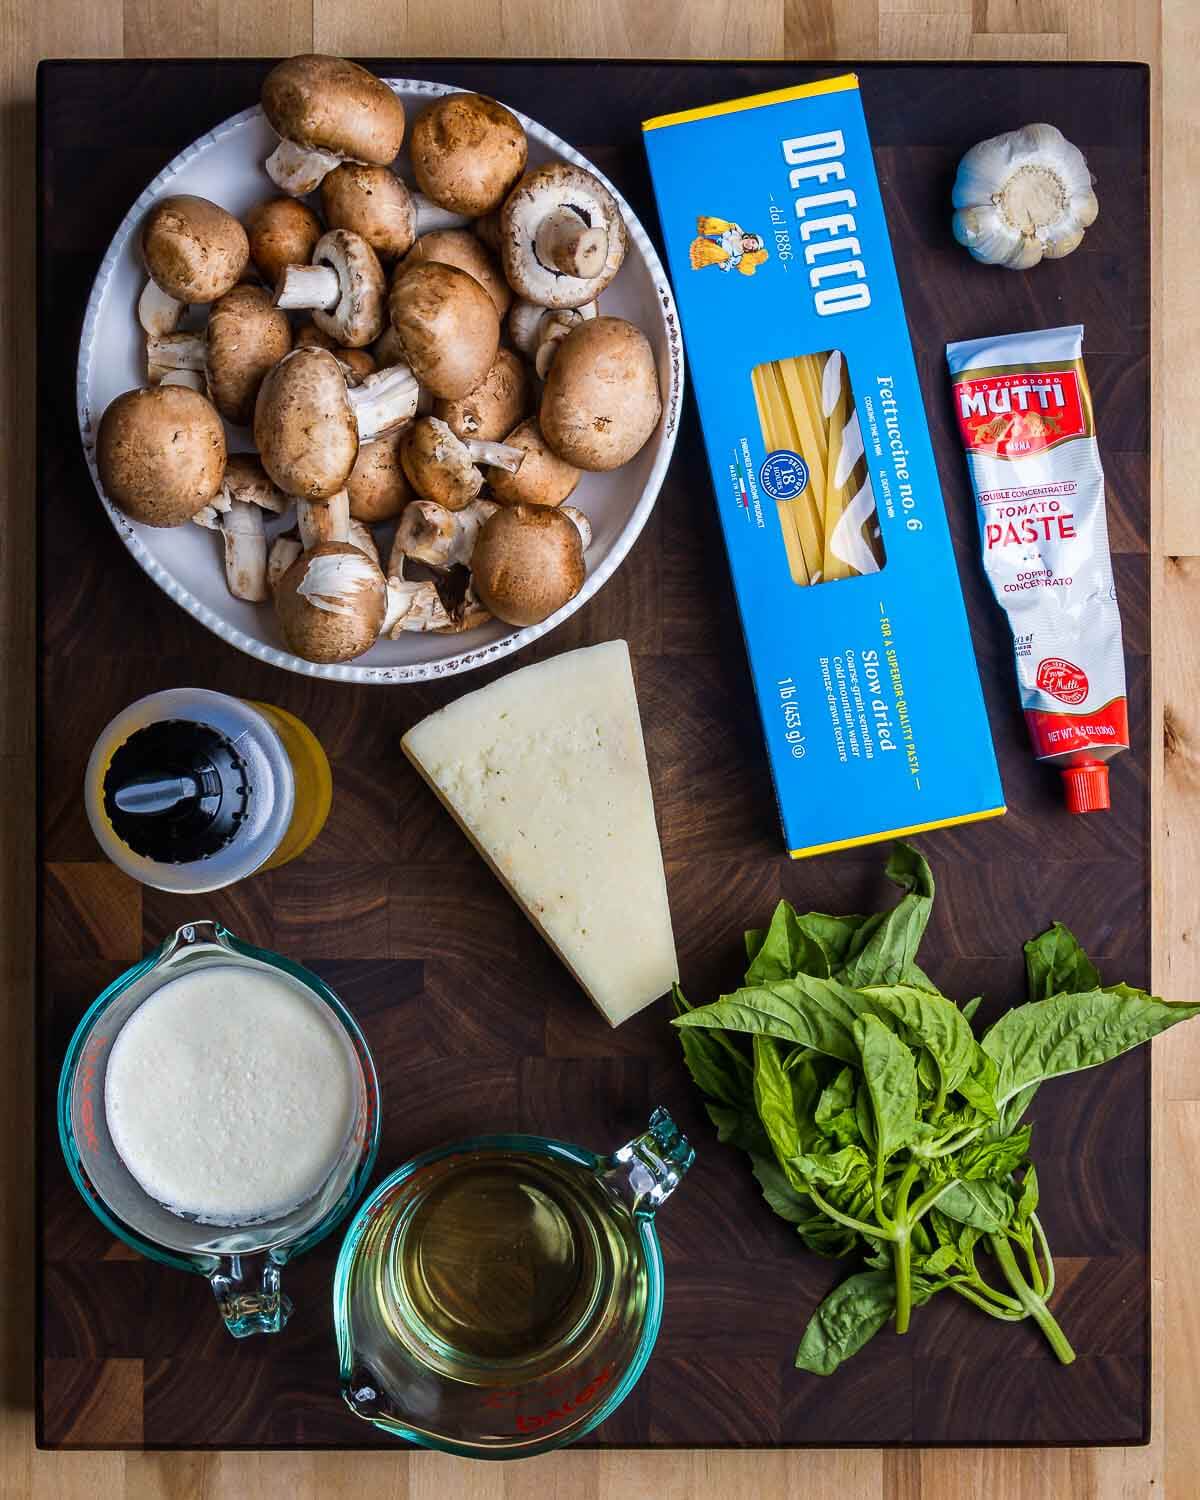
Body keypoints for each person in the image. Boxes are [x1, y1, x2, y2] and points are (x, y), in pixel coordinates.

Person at [689, 216, 769, 275]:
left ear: (751, 251)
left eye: (752, 248)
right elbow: (733, 227)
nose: (750, 245)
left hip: (708, 251)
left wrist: (722, 264)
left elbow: (727, 267)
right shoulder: (736, 233)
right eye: (752, 242)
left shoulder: (737, 256)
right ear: (751, 237)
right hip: (708, 242)